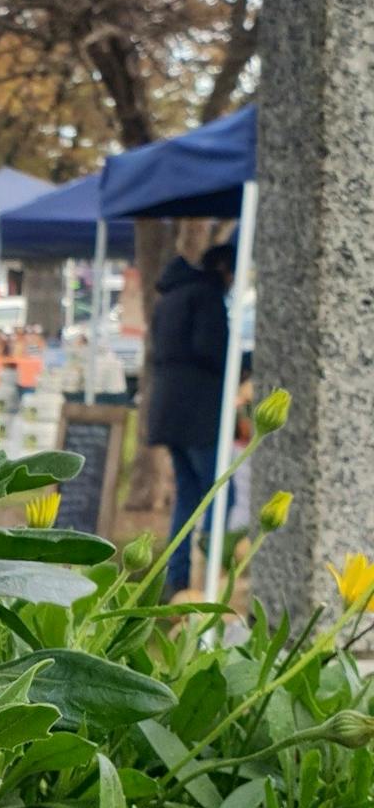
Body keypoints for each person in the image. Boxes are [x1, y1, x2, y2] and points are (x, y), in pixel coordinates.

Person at [145, 242, 235, 595]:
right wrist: (241, 362)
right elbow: (210, 350)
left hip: (167, 408)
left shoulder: (170, 297)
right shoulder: (207, 296)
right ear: (225, 270)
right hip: (198, 411)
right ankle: (209, 573)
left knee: (188, 493)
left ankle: (178, 575)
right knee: (220, 491)